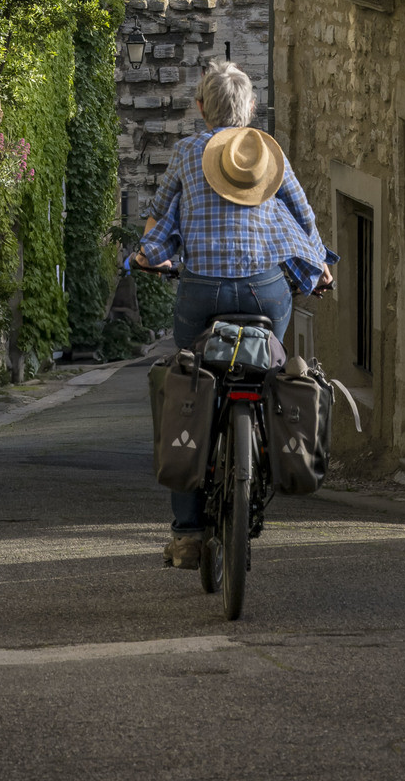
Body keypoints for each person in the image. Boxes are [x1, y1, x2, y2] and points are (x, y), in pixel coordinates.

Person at [134, 59, 333, 568]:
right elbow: (304, 218)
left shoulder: (186, 152)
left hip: (201, 294)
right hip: (267, 294)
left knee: (186, 385)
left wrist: (146, 255)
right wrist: (320, 268)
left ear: (203, 108)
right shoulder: (269, 155)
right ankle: (267, 451)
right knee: (270, 368)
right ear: (250, 110)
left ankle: (187, 533)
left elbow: (159, 216)